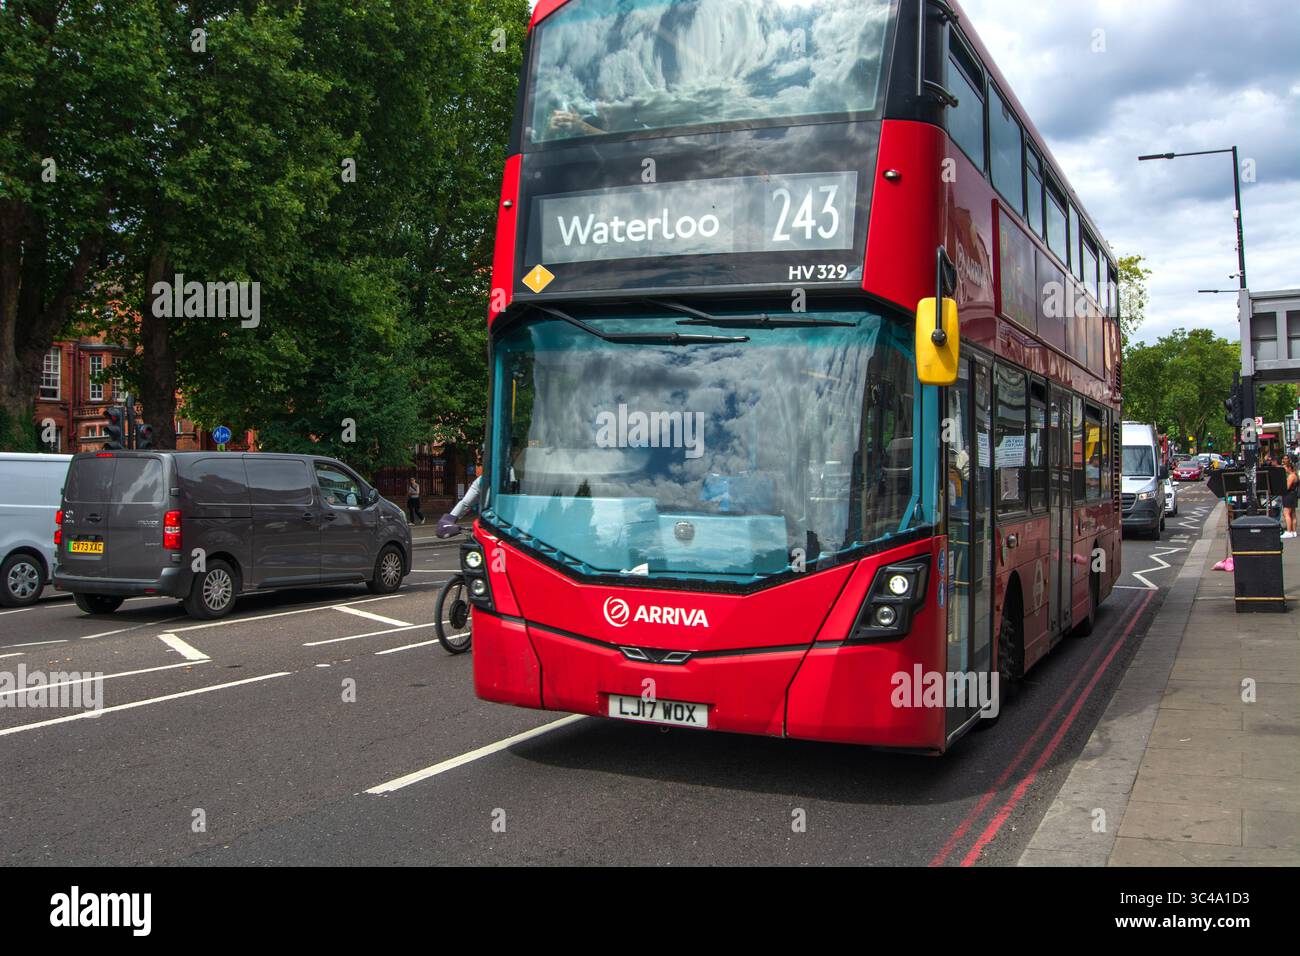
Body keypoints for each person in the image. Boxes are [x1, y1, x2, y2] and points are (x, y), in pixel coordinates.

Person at [1282, 458, 1298, 539]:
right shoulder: (1295, 475)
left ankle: (1289, 531)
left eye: (1285, 468)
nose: (1284, 469)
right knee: (1293, 514)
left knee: (1286, 513)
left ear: (1289, 468)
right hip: (1294, 495)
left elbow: (1287, 487)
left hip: (1289, 495)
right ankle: (1294, 531)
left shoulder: (1291, 476)